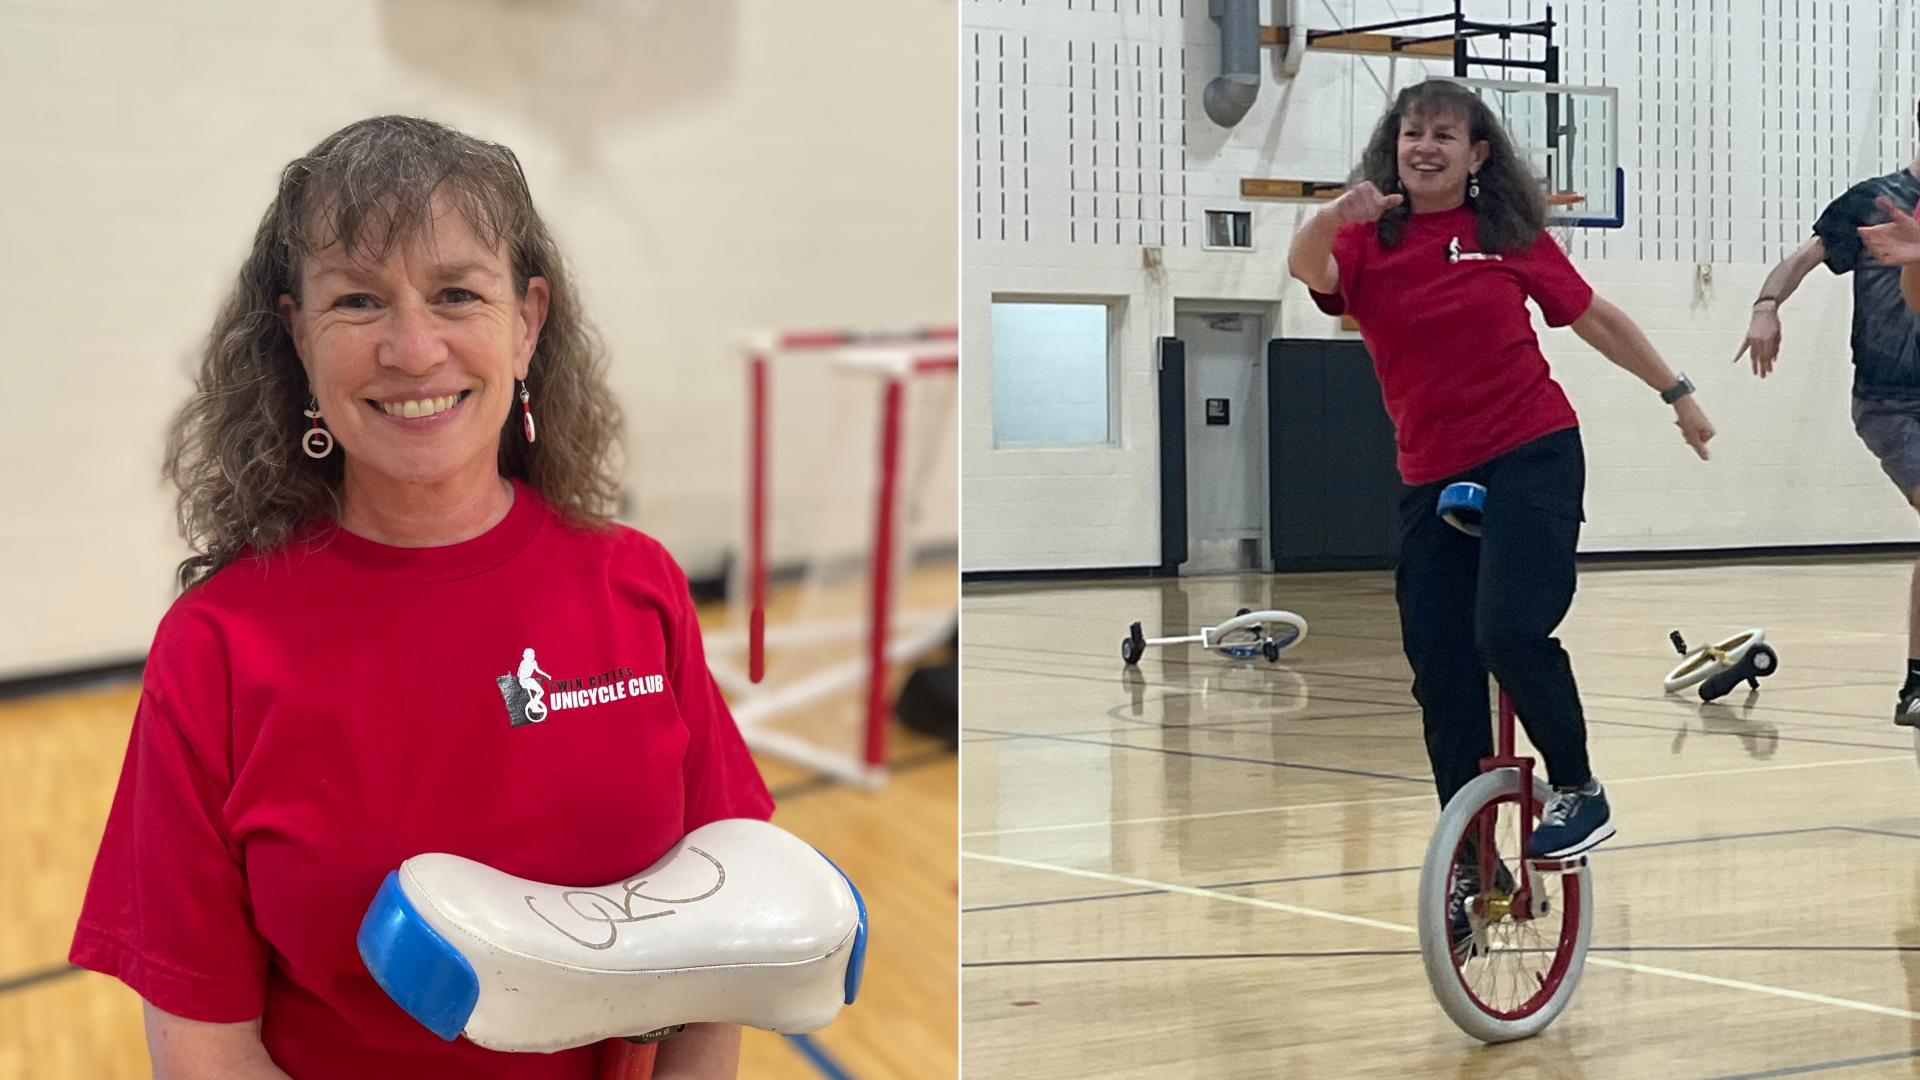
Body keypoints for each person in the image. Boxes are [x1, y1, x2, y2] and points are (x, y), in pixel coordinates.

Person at [68, 116, 772, 1079]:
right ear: (297, 336)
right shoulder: (217, 649)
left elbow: (719, 940)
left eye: (455, 294)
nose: (411, 348)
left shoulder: (638, 588)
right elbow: (203, 1053)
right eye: (359, 300)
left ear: (526, 323)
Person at [1286, 82, 1713, 880]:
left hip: (1531, 451)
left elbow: (1594, 316)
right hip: (1428, 473)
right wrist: (1332, 215)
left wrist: (1676, 393)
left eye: (1445, 135)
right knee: (1442, 677)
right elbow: (1307, 271)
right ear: (1395, 146)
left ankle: (1578, 787)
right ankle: (1476, 865)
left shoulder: (1503, 234)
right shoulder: (1366, 238)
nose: (1426, 147)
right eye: (1413, 133)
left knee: (1507, 631)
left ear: (1476, 155)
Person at [1739, 105, 1920, 724]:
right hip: (1891, 402)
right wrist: (1766, 304)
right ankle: (1916, 685)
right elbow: (1804, 257)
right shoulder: (1874, 200)